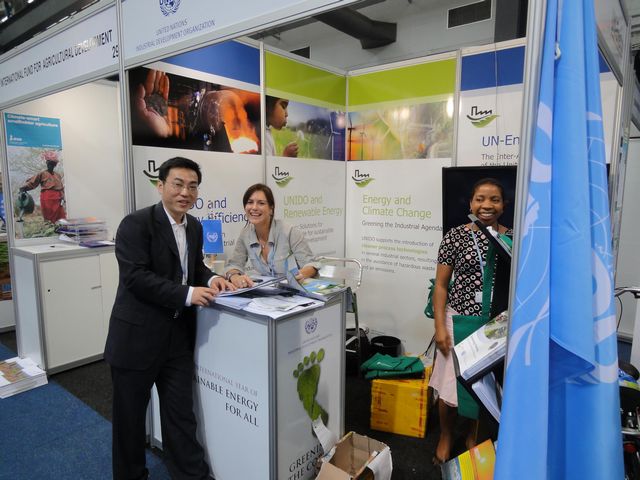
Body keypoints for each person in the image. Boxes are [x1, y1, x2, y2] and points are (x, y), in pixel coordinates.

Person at [104, 157, 235, 480]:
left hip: (177, 338)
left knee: (180, 416)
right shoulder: (136, 224)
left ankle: (191, 475)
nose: (185, 192)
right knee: (130, 422)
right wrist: (188, 294)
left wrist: (212, 279)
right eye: (178, 184)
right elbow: (136, 277)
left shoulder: (195, 226)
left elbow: (194, 268)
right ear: (160, 185)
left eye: (192, 186)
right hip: (136, 338)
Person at [429, 178, 512, 464]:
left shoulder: (512, 238)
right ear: (471, 203)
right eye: (480, 199)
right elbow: (441, 286)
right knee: (449, 387)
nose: (487, 205)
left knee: (486, 387)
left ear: (503, 206)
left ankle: (474, 437)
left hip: (495, 326)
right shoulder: (455, 236)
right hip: (458, 321)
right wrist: (439, 327)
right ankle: (446, 435)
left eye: (494, 199)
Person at [224, 183, 319, 288]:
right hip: (267, 293)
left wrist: (300, 275)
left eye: (261, 203)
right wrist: (234, 276)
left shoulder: (289, 232)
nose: (254, 207)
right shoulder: (245, 234)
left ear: (271, 208)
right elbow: (234, 265)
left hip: (294, 290)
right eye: (250, 202)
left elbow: (311, 265)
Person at [20, 150, 66, 223]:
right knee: (49, 217)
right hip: (47, 198)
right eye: (49, 164)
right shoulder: (42, 174)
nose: (50, 165)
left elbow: (61, 188)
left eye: (52, 164)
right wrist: (24, 188)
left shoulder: (58, 175)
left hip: (58, 198)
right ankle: (50, 228)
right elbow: (33, 182)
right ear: (47, 164)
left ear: (55, 165)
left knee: (61, 217)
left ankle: (61, 228)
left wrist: (63, 197)